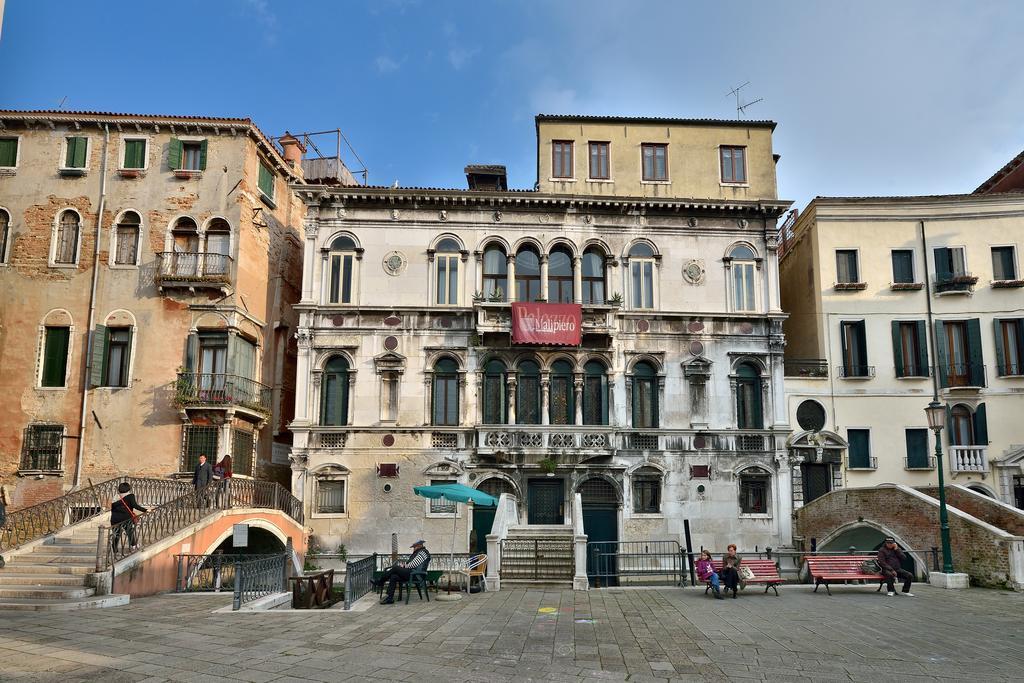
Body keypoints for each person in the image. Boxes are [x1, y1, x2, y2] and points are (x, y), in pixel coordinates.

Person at [377, 540, 431, 605]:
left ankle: (380, 581)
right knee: (393, 576)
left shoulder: (423, 553)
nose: (413, 548)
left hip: (417, 575)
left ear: (419, 546)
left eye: (414, 547)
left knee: (396, 568)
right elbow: (410, 563)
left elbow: (413, 564)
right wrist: (404, 566)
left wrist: (404, 566)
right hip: (412, 573)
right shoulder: (418, 552)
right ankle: (389, 598)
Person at [110, 482, 148, 552]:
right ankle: (133, 545)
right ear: (128, 488)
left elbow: (112, 509)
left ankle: (114, 549)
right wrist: (146, 510)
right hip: (125, 518)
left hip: (115, 518)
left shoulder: (116, 497)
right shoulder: (130, 496)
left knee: (116, 534)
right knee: (129, 531)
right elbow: (135, 505)